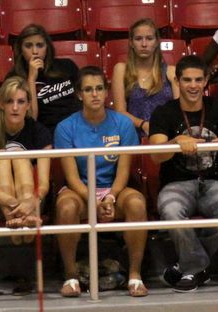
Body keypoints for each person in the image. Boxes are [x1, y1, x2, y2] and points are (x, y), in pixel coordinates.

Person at [148, 55, 218, 293]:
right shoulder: (164, 112)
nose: (193, 85)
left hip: (214, 182)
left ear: (205, 82)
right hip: (176, 184)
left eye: (198, 80)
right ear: (177, 81)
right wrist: (175, 142)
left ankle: (189, 265)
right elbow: (156, 155)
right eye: (187, 80)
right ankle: (197, 265)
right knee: (171, 211)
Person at [54, 67, 149, 298]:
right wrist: (93, 201)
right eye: (88, 90)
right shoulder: (65, 127)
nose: (95, 94)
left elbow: (123, 171)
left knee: (137, 203)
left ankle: (135, 275)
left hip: (114, 188)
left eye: (99, 88)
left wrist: (110, 197)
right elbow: (71, 177)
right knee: (66, 207)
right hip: (80, 189)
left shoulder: (123, 124)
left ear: (107, 92)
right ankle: (71, 276)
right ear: (79, 95)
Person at [0, 76, 52, 239]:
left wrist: (30, 202)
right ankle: (14, 218)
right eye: (9, 101)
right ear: (2, 104)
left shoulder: (40, 132)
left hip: (30, 202)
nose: (15, 108)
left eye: (21, 102)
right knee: (2, 157)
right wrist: (15, 204)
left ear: (28, 105)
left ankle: (24, 220)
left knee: (21, 158)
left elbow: (44, 184)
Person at [111, 18, 179, 138]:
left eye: (149, 38)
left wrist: (158, 130)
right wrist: (144, 125)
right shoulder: (121, 70)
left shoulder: (171, 71)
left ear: (156, 42)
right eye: (138, 39)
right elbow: (119, 112)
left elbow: (178, 111)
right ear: (131, 43)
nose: (144, 44)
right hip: (133, 135)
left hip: (166, 136)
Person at [7, 24, 81, 132]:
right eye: (28, 46)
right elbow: (30, 119)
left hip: (77, 128)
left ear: (47, 47)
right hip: (47, 133)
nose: (35, 51)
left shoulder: (67, 66)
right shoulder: (14, 77)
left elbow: (84, 99)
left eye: (40, 45)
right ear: (20, 49)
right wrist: (31, 79)